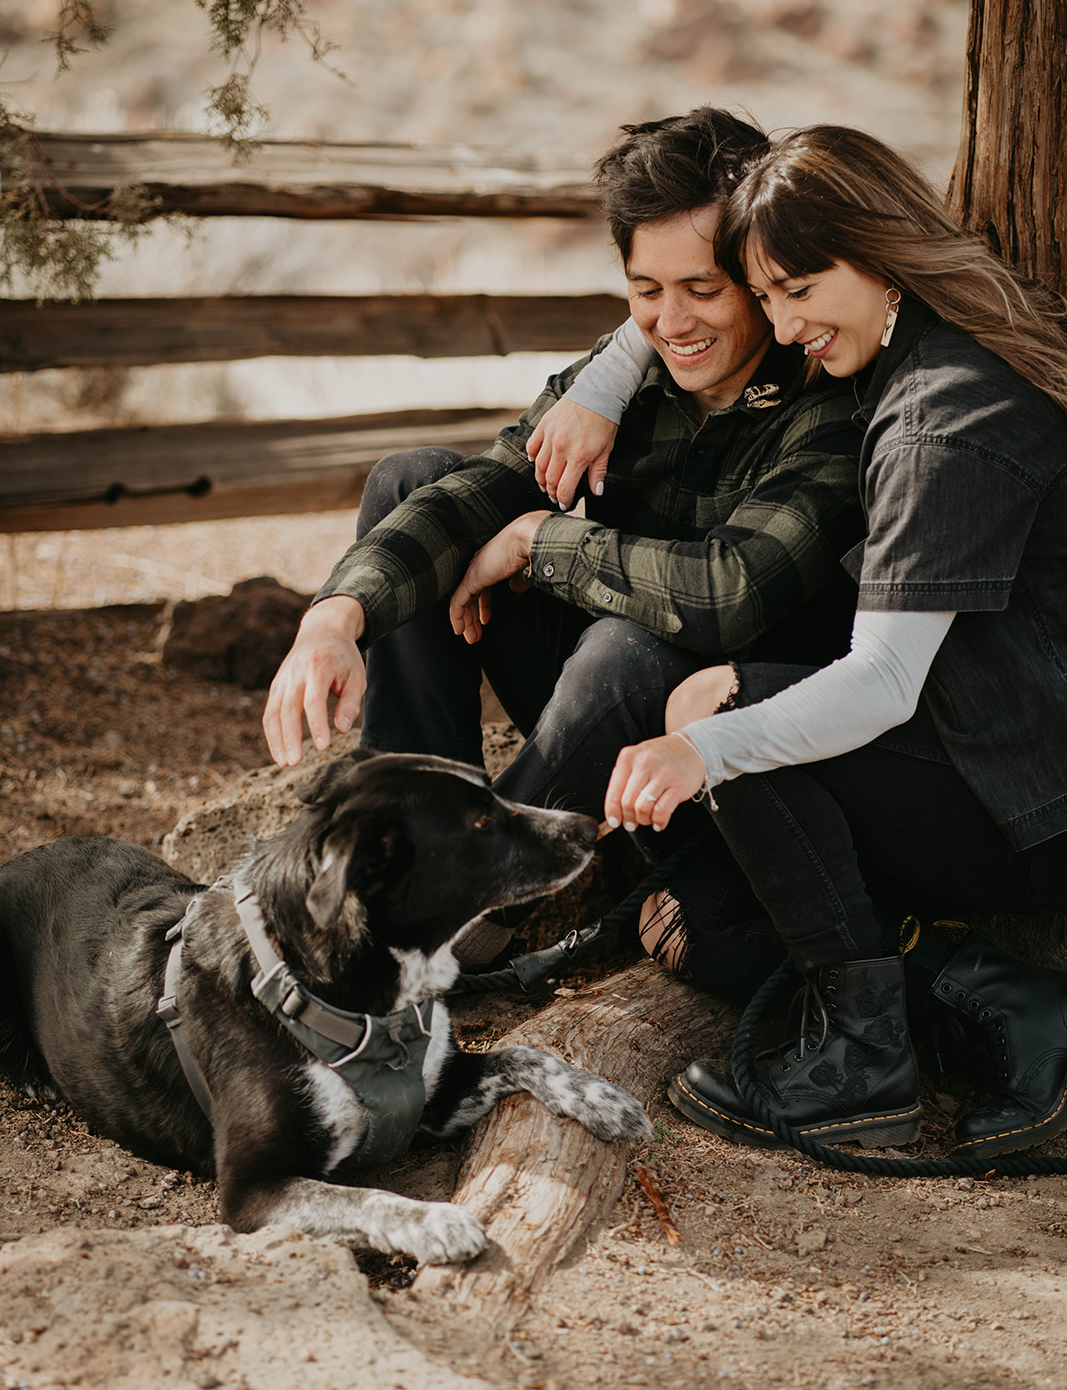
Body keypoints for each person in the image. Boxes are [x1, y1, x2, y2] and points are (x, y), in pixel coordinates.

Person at [262, 108, 866, 977]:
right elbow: (482, 489)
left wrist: (543, 544)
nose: (672, 321)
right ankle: (399, 820)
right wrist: (335, 615)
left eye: (702, 288)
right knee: (413, 477)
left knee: (630, 645)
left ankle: (468, 904)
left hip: (716, 758)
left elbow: (727, 597)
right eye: (645, 290)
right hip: (585, 714)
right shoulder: (623, 377)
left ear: (758, 270)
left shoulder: (826, 395)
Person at [590, 123, 1067, 1157]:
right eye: (763, 297)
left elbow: (885, 683)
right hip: (1002, 753)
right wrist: (602, 377)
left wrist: (701, 749)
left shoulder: (943, 416)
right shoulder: (920, 348)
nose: (782, 320)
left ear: (877, 253)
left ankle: (861, 1063)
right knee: (717, 863)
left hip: (1031, 801)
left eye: (798, 289)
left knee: (724, 723)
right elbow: (674, 309)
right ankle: (1002, 1004)